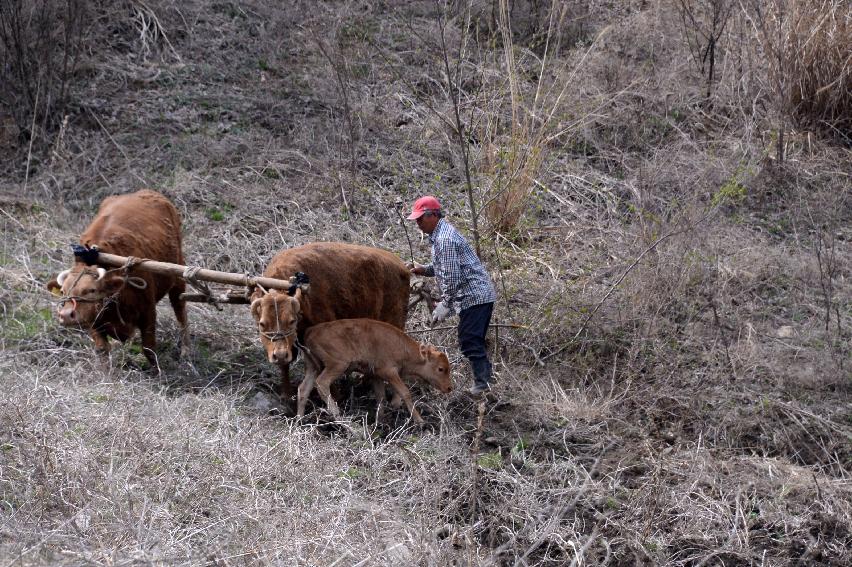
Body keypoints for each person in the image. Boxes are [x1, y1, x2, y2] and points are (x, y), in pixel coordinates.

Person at [406, 196, 497, 395]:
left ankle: (484, 385)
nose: (418, 224)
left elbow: (453, 276)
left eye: (421, 219)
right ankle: (486, 381)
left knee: (470, 341)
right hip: (475, 296)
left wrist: (445, 304)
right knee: (471, 340)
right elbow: (444, 267)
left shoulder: (444, 240)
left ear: (433, 216)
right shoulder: (441, 236)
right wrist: (424, 269)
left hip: (475, 296)